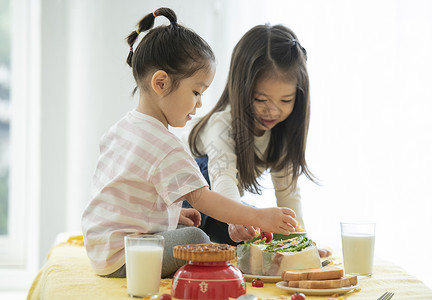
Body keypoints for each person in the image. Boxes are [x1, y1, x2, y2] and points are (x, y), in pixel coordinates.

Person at [81, 8, 297, 279]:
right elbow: (204, 200)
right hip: (129, 256)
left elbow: (123, 196)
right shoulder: (167, 145)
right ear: (161, 83)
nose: (200, 103)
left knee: (188, 226)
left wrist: (169, 218)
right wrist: (257, 217)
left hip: (101, 250)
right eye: (196, 91)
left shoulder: (122, 128)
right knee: (198, 237)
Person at [187, 24, 330, 257]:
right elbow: (222, 178)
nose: (272, 111)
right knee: (236, 218)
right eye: (261, 99)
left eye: (286, 100)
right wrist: (236, 217)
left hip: (223, 209)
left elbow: (288, 195)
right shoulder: (222, 125)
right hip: (186, 202)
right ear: (241, 89)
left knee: (265, 231)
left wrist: (302, 244)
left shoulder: (281, 134)